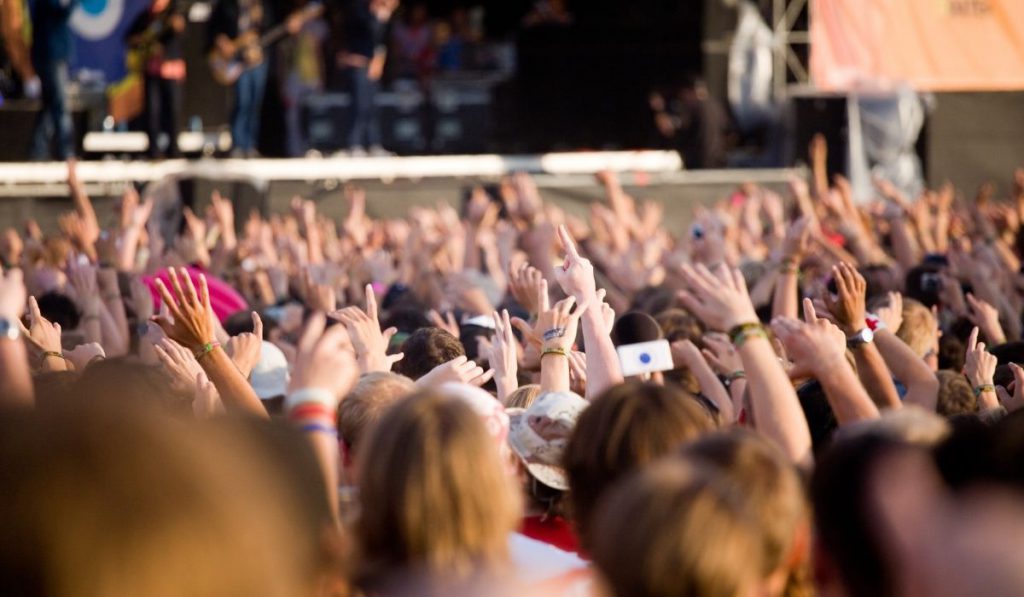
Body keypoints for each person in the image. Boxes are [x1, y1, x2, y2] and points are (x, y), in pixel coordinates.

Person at [208, 0, 300, 157]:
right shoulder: (227, 5)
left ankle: (250, 145)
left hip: (257, 60)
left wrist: (288, 27)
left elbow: (272, 30)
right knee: (242, 101)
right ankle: (238, 143)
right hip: (236, 60)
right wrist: (221, 40)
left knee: (254, 103)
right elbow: (212, 27)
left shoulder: (263, 6)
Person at [126, 0, 187, 159]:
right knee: (152, 111)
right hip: (152, 69)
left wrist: (176, 25)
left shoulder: (174, 11)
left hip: (170, 69)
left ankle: (173, 149)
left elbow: (181, 29)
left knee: (172, 111)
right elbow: (130, 38)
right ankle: (153, 150)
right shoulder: (146, 16)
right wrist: (145, 42)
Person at [337, 0, 396, 156]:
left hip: (372, 69)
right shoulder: (359, 13)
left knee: (372, 108)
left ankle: (374, 144)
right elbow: (359, 39)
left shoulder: (382, 18)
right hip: (358, 67)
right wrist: (377, 19)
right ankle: (354, 144)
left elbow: (380, 44)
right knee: (359, 107)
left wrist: (378, 63)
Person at [27, 0, 79, 160]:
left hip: (52, 54)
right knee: (60, 104)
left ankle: (38, 150)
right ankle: (66, 151)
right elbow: (60, 12)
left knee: (50, 105)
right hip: (50, 54)